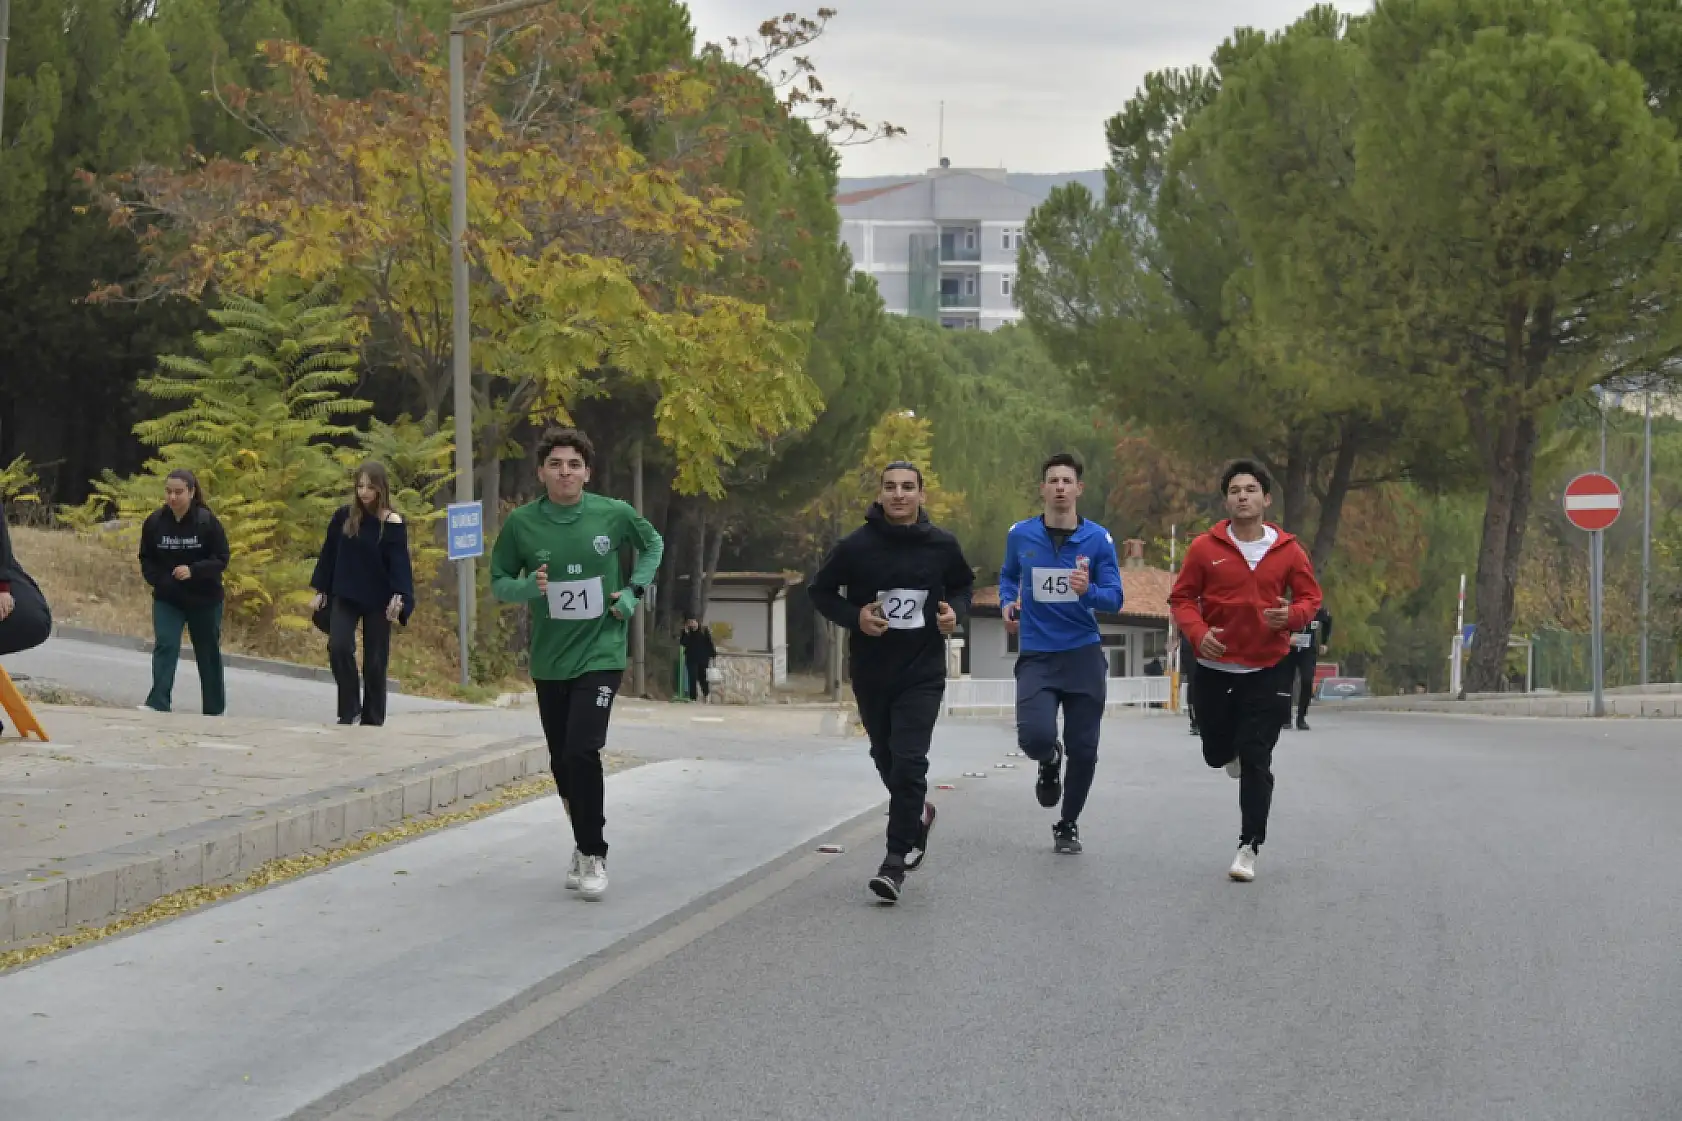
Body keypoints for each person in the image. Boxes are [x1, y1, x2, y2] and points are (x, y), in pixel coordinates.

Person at [491, 427, 662, 903]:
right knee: (563, 761)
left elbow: (654, 546)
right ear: (541, 471)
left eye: (574, 464)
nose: (565, 472)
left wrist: (633, 592)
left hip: (602, 649)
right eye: (555, 464)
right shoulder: (522, 524)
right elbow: (500, 580)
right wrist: (529, 589)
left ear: (587, 472)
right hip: (551, 659)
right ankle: (581, 840)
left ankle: (593, 851)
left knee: (584, 749)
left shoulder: (614, 514)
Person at [808, 461, 974, 904]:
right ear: (880, 495)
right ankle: (917, 814)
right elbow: (820, 592)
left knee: (909, 759)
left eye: (907, 487)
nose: (898, 494)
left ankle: (894, 862)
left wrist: (955, 612)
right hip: (872, 672)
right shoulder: (856, 547)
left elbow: (963, 586)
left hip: (922, 672)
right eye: (890, 487)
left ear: (921, 494)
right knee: (886, 757)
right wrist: (855, 617)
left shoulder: (942, 545)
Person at [1168, 459, 1323, 883]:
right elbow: (1181, 599)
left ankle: (1248, 846)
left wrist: (1291, 616)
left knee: (1257, 757)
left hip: (1267, 668)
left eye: (1251, 489)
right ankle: (1227, 751)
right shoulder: (1204, 548)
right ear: (1226, 501)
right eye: (1235, 490)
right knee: (1217, 753)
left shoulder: (1289, 550)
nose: (1243, 496)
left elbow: (1311, 600)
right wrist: (1199, 634)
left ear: (1266, 499)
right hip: (1214, 668)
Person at [999, 453, 1123, 855]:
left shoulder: (1098, 540)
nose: (1059, 487)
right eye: (1052, 480)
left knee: (1084, 748)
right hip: (1037, 651)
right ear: (1043, 488)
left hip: (1082, 654)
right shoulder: (1020, 534)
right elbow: (1007, 576)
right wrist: (1006, 603)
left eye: (1067, 481)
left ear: (1078, 489)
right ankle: (1049, 757)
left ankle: (1067, 823)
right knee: (1035, 737)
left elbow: (1115, 598)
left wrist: (1088, 590)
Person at [309, 462, 416, 727]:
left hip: (378, 598)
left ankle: (372, 719)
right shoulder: (344, 517)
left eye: (370, 486)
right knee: (339, 646)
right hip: (345, 592)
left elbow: (400, 563)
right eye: (360, 486)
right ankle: (349, 707)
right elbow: (329, 554)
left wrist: (400, 597)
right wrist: (321, 589)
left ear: (381, 488)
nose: (364, 492)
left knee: (375, 661)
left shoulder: (391, 522)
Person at [138, 469, 230, 715]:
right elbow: (146, 559)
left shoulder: (207, 522)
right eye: (168, 492)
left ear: (191, 492)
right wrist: (160, 581)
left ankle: (214, 708)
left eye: (179, 492)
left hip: (205, 599)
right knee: (166, 645)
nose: (173, 498)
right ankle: (158, 702)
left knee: (207, 651)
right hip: (169, 599)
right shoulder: (155, 522)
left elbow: (222, 558)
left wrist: (194, 570)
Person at [1287, 605, 1333, 731]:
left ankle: (1301, 717)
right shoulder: (1290, 606)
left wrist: (1324, 642)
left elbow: (1328, 621)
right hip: (1288, 648)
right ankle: (1286, 716)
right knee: (1286, 682)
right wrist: (1286, 637)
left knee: (1307, 680)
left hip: (1307, 650)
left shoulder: (1317, 610)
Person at [680, 616, 717, 703]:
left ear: (697, 622)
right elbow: (683, 643)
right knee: (692, 677)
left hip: (703, 658)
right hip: (691, 658)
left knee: (702, 678)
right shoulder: (687, 632)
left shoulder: (704, 631)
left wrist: (713, 655)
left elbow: (709, 643)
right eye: (690, 622)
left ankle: (706, 695)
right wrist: (685, 633)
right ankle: (693, 697)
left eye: (693, 622)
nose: (692, 624)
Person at [1179, 632, 1200, 736]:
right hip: (1192, 643)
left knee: (1195, 684)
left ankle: (1196, 721)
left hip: (1198, 640)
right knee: (1194, 684)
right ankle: (1195, 721)